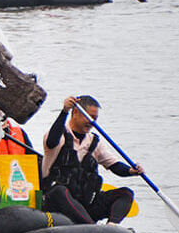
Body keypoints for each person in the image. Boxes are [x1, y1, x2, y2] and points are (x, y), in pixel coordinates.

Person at [41, 96, 143, 225]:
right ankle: (92, 227)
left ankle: (111, 226)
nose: (92, 122)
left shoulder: (94, 142)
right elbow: (51, 141)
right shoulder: (59, 135)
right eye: (89, 117)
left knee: (126, 193)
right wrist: (64, 111)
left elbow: (114, 165)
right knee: (59, 191)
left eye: (95, 118)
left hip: (85, 204)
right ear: (76, 113)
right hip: (57, 203)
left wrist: (131, 170)